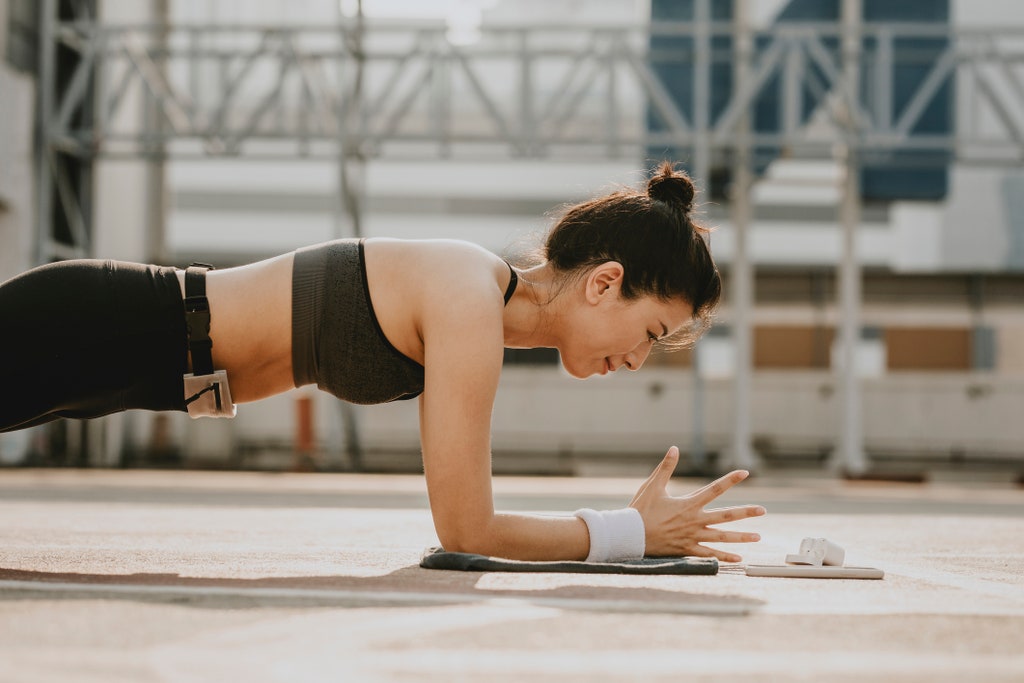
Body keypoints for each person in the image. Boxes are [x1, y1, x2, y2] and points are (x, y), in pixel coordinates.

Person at [0, 161, 765, 562]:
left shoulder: (481, 315)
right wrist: (630, 532)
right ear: (605, 283)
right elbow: (467, 529)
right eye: (650, 332)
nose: (637, 361)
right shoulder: (468, 299)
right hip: (97, 327)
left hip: (124, 366)